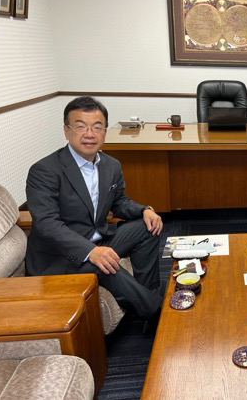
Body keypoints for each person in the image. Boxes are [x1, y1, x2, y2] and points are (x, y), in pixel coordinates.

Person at [25, 96, 163, 324]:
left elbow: (119, 202)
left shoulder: (111, 165)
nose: (89, 134)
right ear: (66, 131)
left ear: (105, 132)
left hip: (97, 240)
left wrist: (144, 210)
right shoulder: (44, 171)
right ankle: (157, 312)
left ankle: (147, 296)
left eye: (97, 127)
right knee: (107, 265)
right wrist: (90, 251)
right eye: (80, 126)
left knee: (148, 227)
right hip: (61, 257)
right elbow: (47, 225)